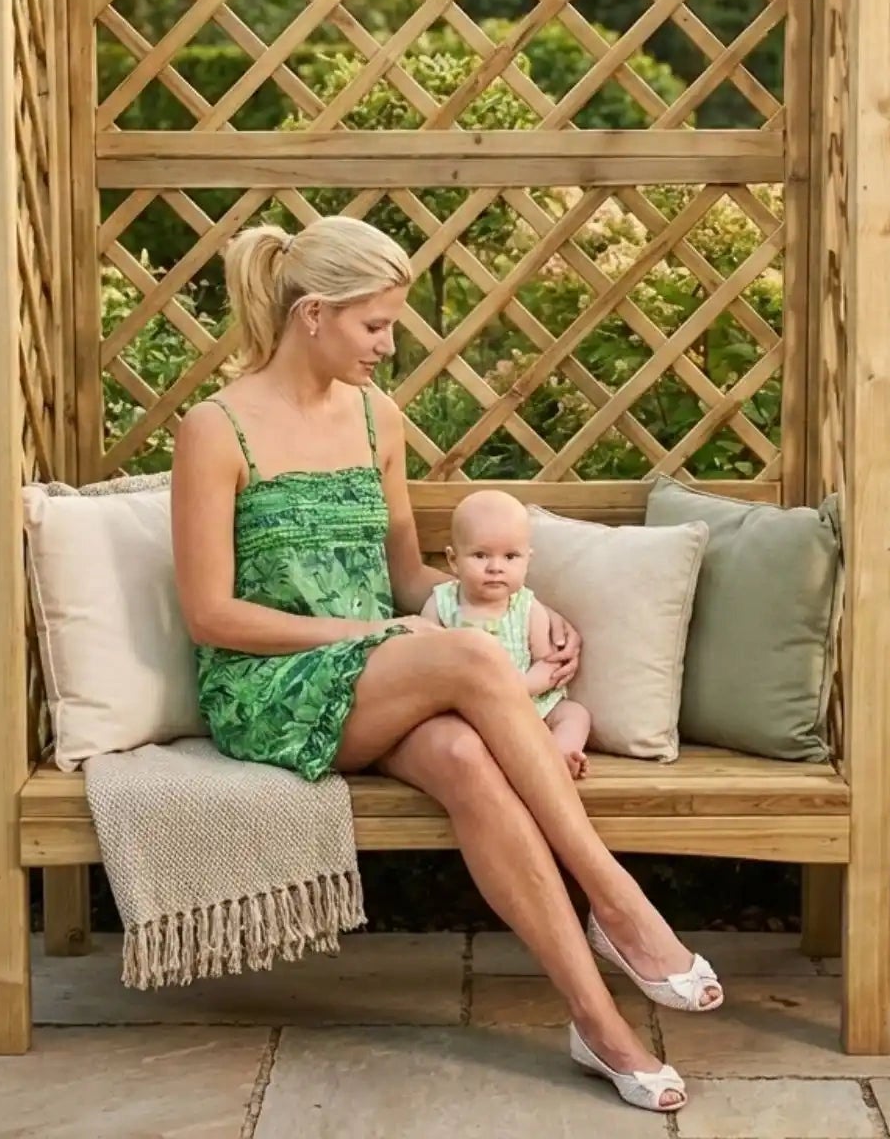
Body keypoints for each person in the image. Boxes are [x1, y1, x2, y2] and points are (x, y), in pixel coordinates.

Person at [170, 215, 722, 1114]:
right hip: (269, 686)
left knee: (467, 759)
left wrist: (527, 615)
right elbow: (212, 613)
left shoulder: (375, 417)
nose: (389, 346)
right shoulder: (216, 428)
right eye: (375, 325)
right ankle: (619, 903)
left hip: (381, 676)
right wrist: (381, 640)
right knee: (458, 659)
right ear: (313, 313)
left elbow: (404, 578)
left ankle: (596, 1022)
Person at [422, 488, 592, 779]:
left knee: (575, 714)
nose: (495, 567)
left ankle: (559, 755)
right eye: (480, 555)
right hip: (467, 710)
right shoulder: (441, 603)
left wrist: (517, 689)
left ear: (528, 559)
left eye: (510, 556)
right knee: (448, 734)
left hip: (527, 702)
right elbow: (426, 661)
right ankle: (508, 759)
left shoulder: (527, 607)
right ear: (453, 560)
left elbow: (547, 662)